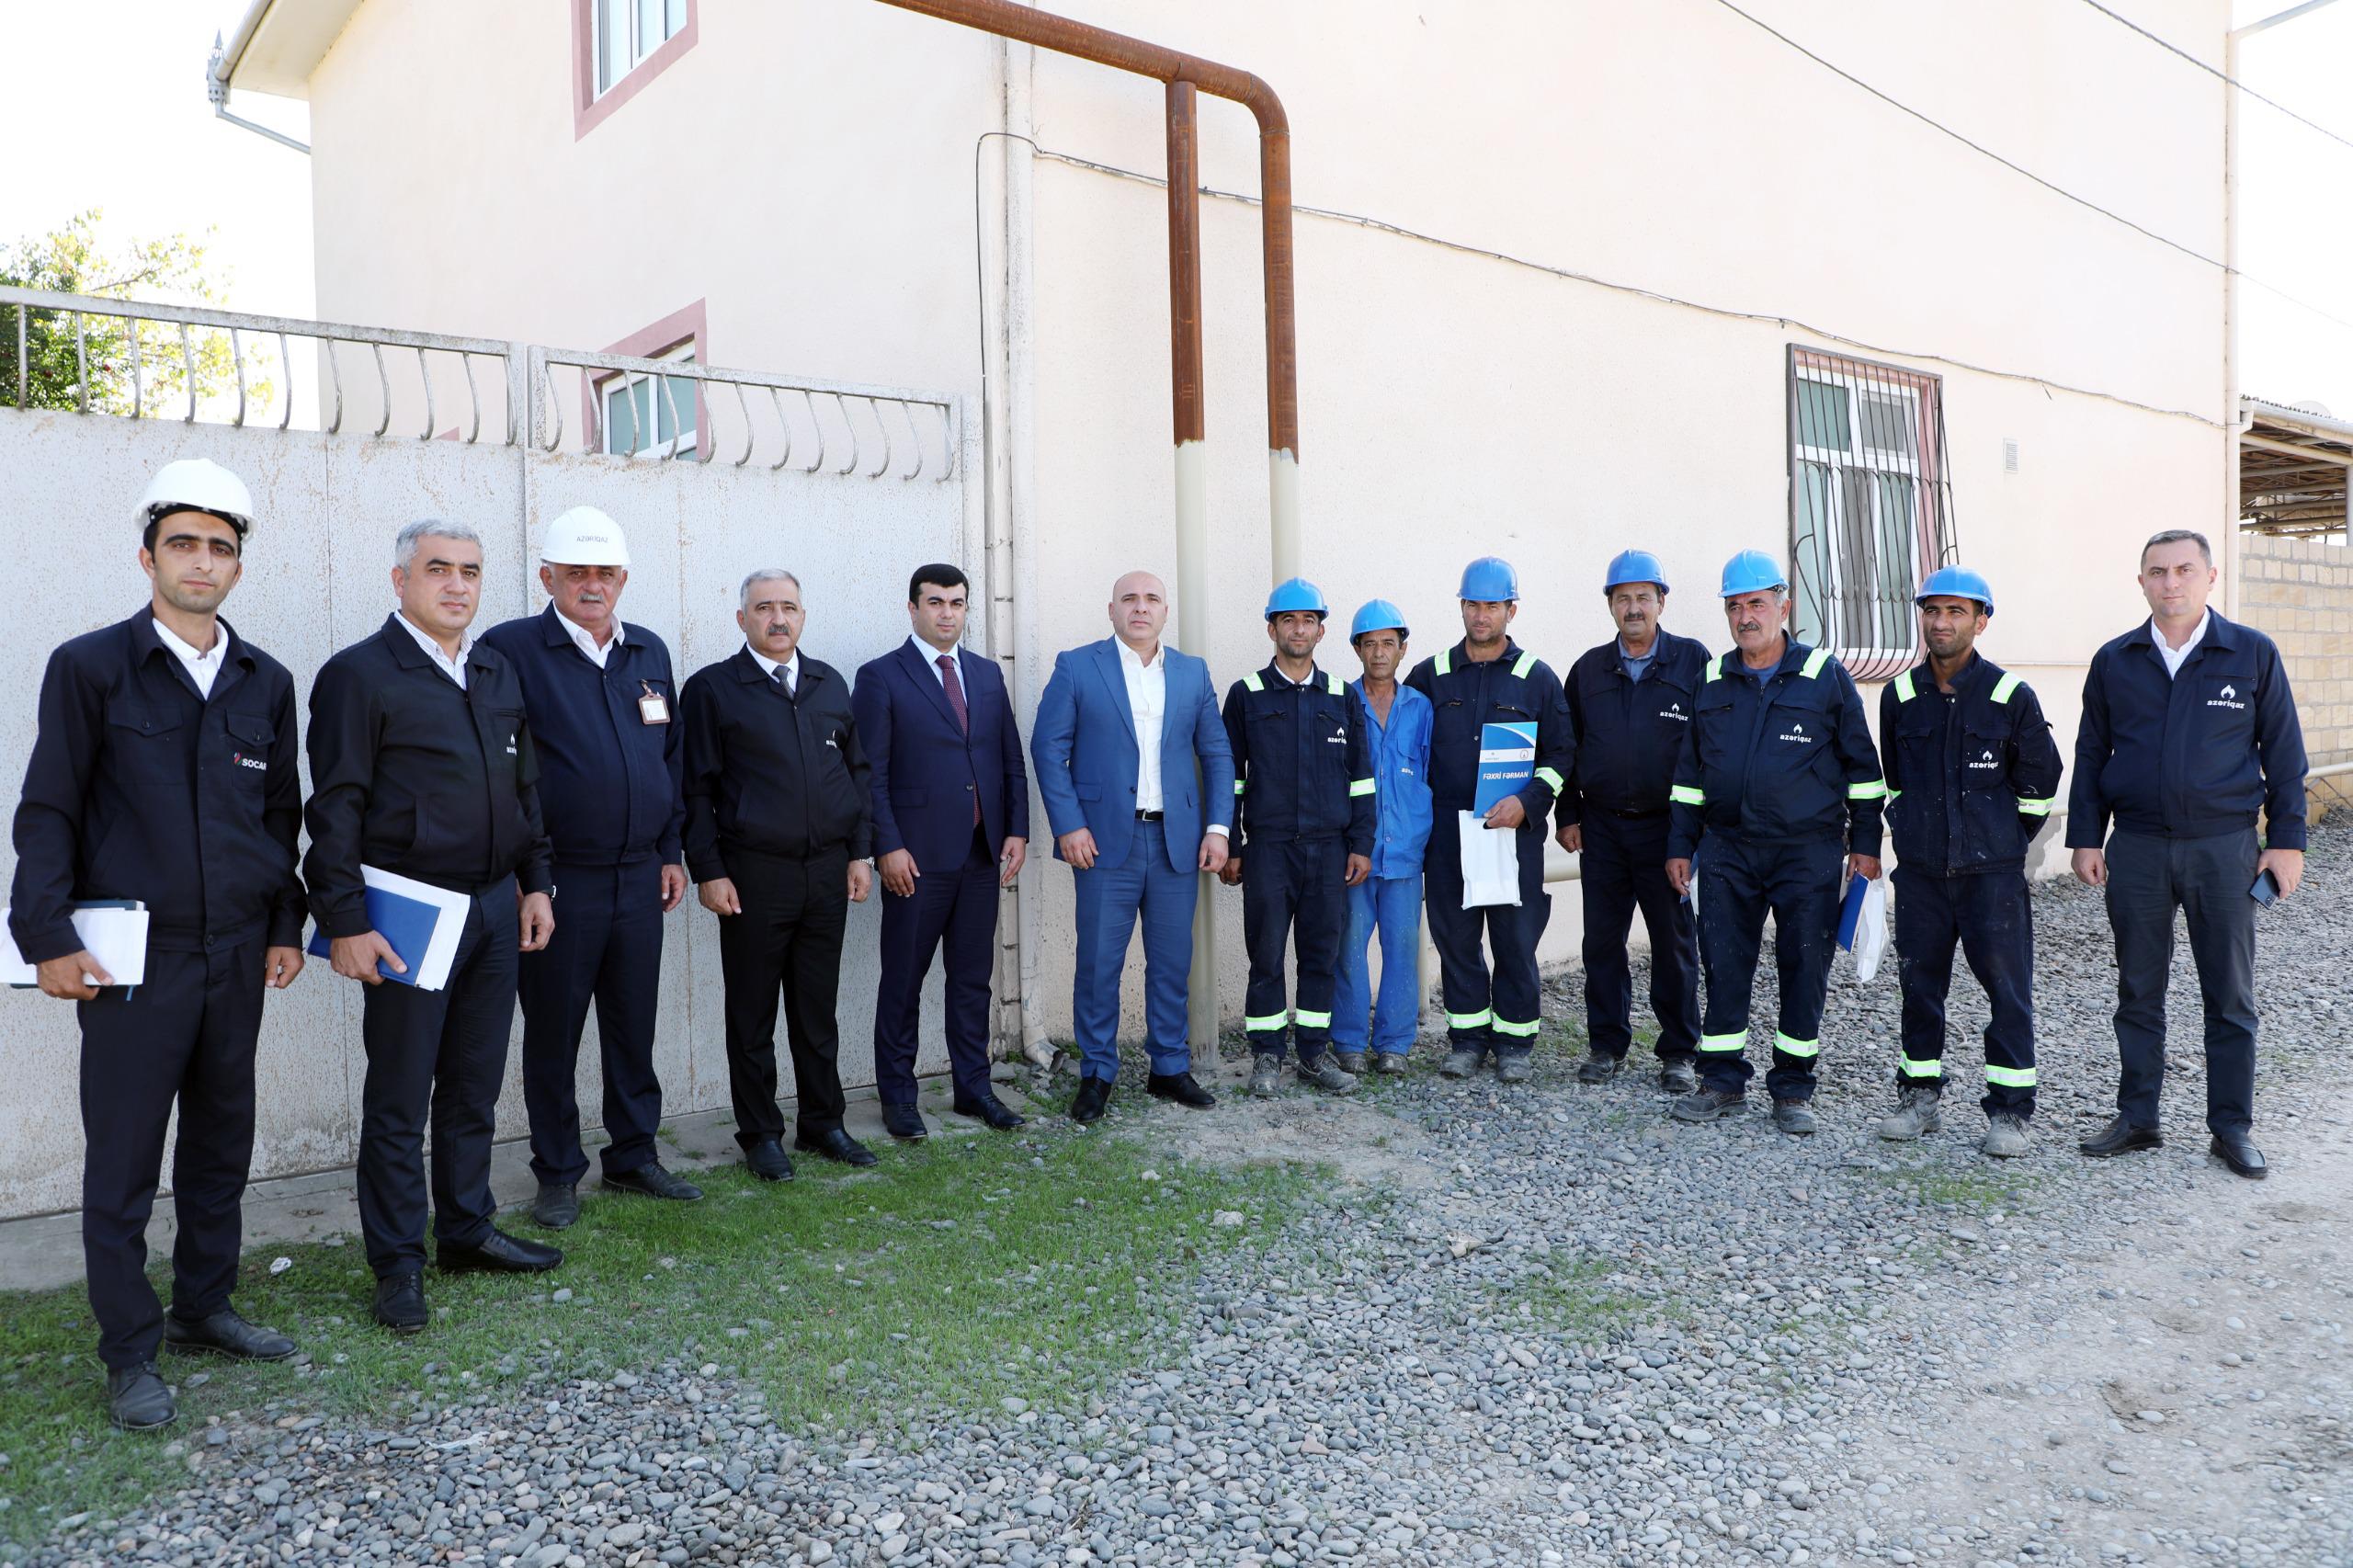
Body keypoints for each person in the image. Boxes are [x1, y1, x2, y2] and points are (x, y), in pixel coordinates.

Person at [8, 460, 305, 1429]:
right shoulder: (91, 667)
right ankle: (130, 1350)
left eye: (220, 547)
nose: (201, 561)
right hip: (134, 960)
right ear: (148, 558)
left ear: (238, 568)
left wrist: (285, 924)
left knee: (221, 1142)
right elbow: (49, 809)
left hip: (237, 953)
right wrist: (44, 932)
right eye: (183, 543)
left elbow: (279, 817)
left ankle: (204, 1306)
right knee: (126, 1159)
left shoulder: (266, 681)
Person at [306, 520, 562, 1335]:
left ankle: (466, 1230)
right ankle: (396, 1264)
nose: (457, 585)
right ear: (401, 579)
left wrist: (536, 883)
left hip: (493, 908)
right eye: (439, 569)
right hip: (409, 913)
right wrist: (345, 919)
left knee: (473, 1084)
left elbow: (525, 791)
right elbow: (334, 809)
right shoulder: (359, 675)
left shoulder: (494, 669)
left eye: (471, 572)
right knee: (400, 1096)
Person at [479, 506, 699, 1231]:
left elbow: (669, 758)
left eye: (605, 572)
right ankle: (557, 1172)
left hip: (639, 876)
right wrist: (529, 879)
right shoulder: (511, 648)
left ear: (623, 579)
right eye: (577, 572)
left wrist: (670, 851)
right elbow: (502, 771)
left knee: (633, 1027)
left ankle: (634, 1155)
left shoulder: (648, 651)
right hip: (559, 881)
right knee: (554, 1033)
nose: (592, 585)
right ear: (548, 577)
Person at [2069, 529, 2306, 1179]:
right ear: (2141, 581)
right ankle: (2138, 1118)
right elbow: (2091, 753)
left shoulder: (2250, 653)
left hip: (2224, 848)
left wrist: (2287, 842)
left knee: (2229, 994)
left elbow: (2285, 753)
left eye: (2183, 570)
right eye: (2157, 572)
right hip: (2138, 846)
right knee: (2138, 989)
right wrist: (2086, 835)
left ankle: (2231, 1128)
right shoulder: (2116, 660)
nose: (2170, 582)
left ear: (2210, 577)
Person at [1665, 550, 1884, 1135]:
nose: (1745, 617)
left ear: (1783, 608)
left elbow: (1864, 771)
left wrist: (1865, 844)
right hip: (1726, 848)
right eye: (1734, 606)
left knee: (1804, 965)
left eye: (1756, 604)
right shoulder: (1712, 679)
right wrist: (1680, 845)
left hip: (1806, 850)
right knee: (1723, 964)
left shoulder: (1825, 677)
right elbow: (1689, 777)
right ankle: (1721, 1080)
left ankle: (1792, 1089)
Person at [680, 570, 877, 1181]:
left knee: (817, 1010)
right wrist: (708, 870)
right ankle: (761, 1134)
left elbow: (857, 773)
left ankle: (823, 1122)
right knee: (753, 1012)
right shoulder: (713, 689)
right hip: (754, 876)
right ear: (742, 618)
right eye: (764, 608)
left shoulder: (827, 683)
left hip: (826, 872)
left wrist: (860, 853)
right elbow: (695, 791)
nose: (778, 618)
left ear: (803, 615)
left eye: (788, 607)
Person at [1031, 570, 1233, 1121]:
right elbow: (1048, 748)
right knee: (1099, 963)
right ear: (1112, 610)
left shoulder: (1192, 672)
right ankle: (1097, 1071)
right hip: (1101, 844)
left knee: (1171, 963)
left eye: (1151, 599)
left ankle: (1168, 1067)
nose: (1140, 608)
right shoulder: (1078, 666)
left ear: (1165, 611)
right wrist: (1069, 825)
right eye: (1129, 599)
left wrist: (1218, 829)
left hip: (1176, 840)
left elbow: (1216, 753)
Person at [1875, 566, 2063, 1158]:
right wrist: (1911, 830)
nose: (1942, 622)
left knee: (2007, 991)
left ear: (1981, 622)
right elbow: (1895, 781)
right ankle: (1919, 1097)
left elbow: (2041, 783)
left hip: (1992, 878)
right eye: (1932, 611)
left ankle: (2010, 1111)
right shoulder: (1899, 696)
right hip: (1922, 875)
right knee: (1918, 987)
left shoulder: (2010, 696)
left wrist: (2002, 838)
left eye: (1956, 612)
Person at [852, 563, 1030, 1139]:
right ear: (913, 608)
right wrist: (887, 846)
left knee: (972, 980)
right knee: (903, 980)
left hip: (981, 854)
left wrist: (1016, 829)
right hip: (916, 860)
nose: (947, 613)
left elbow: (1009, 757)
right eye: (935, 602)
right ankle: (899, 1098)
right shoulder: (881, 676)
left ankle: (973, 1089)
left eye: (956, 602)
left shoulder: (985, 673)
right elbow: (869, 773)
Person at [1404, 556, 1574, 1084]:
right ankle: (1468, 1040)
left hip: (1512, 831)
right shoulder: (1429, 676)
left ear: (1510, 611)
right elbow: (1405, 750)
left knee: (1515, 939)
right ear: (1461, 607)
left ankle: (1515, 1043)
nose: (1482, 615)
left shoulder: (1537, 678)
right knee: (1456, 939)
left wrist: (1528, 802)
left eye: (1493, 606)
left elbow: (1562, 755)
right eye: (1473, 605)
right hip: (1447, 833)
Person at [1556, 550, 1708, 1094]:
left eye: (1644, 597)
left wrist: (1692, 832)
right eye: (1623, 598)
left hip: (1667, 830)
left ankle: (1679, 1051)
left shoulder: (1693, 662)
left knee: (1673, 943)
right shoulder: (1588, 670)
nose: (1634, 608)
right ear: (1610, 606)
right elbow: (1566, 748)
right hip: (1601, 829)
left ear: (1662, 602)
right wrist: (1568, 814)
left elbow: (1708, 748)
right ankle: (1606, 1045)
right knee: (1601, 942)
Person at [1219, 577, 1375, 1096]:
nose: (1299, 629)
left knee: (1319, 956)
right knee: (1265, 956)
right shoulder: (1246, 695)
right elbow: (1230, 777)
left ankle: (1312, 1054)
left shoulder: (1343, 696)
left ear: (1321, 631)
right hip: (1269, 849)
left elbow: (1361, 779)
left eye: (1309, 620)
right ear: (1272, 629)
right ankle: (1266, 1056)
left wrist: (1361, 844)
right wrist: (1232, 846)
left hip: (1330, 851)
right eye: (1288, 620)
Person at [1332, 599, 1433, 1075]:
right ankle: (1349, 1041)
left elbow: (1429, 771)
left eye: (1387, 643)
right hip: (1357, 852)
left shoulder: (1420, 707)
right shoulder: (1341, 702)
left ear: (1402, 649)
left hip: (1406, 850)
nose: (1378, 653)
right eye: (1369, 644)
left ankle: (1394, 1043)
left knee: (1402, 948)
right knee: (1350, 948)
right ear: (1357, 650)